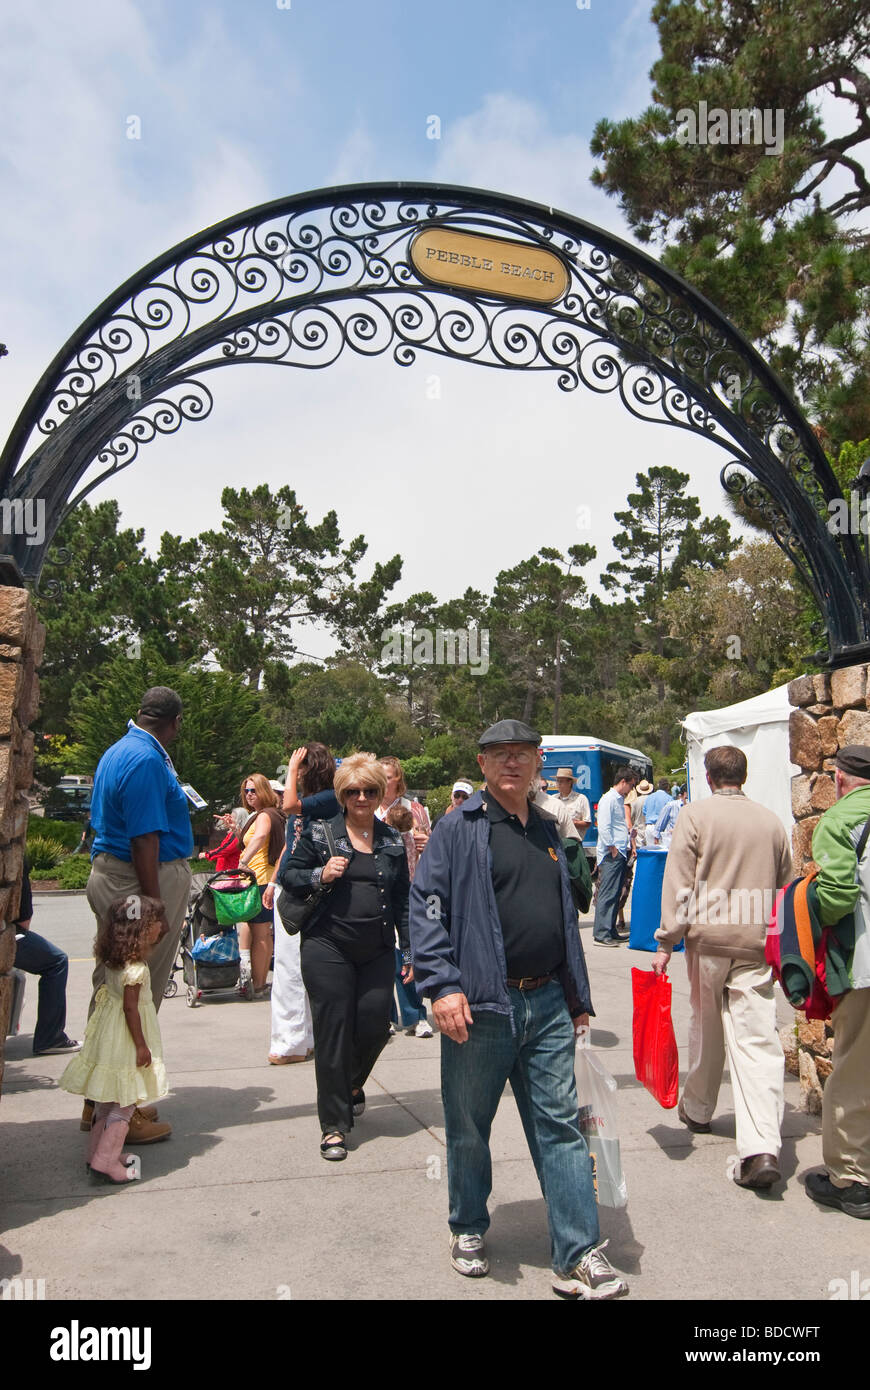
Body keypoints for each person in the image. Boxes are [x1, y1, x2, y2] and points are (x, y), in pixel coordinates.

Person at [410, 718, 628, 1300]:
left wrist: (578, 999)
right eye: (499, 754)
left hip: (549, 1002)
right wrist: (441, 984)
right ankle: (469, 1228)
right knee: (469, 1126)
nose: (512, 763)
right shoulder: (460, 828)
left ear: (538, 762)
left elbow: (563, 921)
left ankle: (579, 1251)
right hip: (480, 1005)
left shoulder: (549, 830)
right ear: (482, 765)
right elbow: (427, 907)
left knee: (560, 1126)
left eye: (523, 753)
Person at [653, 745, 792, 1189]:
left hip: (707, 941)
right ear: (742, 776)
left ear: (709, 777)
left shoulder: (695, 816)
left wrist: (665, 940)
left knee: (706, 1027)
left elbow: (680, 881)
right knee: (757, 1041)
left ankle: (698, 1108)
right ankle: (761, 1148)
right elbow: (785, 888)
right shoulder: (771, 822)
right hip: (756, 944)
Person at [280, 753, 411, 1162]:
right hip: (327, 945)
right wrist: (321, 874)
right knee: (334, 1028)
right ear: (341, 794)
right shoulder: (320, 834)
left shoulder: (391, 839)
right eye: (352, 791)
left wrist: (409, 949)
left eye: (369, 790)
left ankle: (350, 1083)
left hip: (375, 948)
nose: (360, 797)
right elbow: (288, 875)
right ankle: (334, 1126)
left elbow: (404, 900)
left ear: (378, 793)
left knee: (375, 1024)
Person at [83, 686, 192, 1143]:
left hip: (111, 874)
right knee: (137, 996)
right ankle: (120, 1113)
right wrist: (155, 906)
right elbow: (145, 839)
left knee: (111, 990)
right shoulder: (148, 759)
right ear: (175, 723)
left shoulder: (119, 749)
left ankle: (97, 1100)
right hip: (139, 880)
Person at [60, 894, 169, 1184]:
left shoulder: (113, 961)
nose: (161, 926)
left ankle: (97, 1153)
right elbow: (131, 1008)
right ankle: (106, 1162)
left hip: (109, 1036)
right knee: (124, 1103)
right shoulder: (136, 969)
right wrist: (142, 1046)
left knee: (106, 1102)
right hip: (126, 1040)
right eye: (156, 921)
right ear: (142, 930)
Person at [804, 745, 870, 1218]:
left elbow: (839, 891)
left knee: (852, 1071)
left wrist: (812, 913)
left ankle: (851, 1180)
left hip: (865, 966)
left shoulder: (839, 821)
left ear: (841, 779)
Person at [265, 743, 338, 1064]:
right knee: (292, 964)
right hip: (290, 883)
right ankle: (303, 1038)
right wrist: (272, 881)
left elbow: (289, 804)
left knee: (289, 968)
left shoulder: (327, 798)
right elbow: (291, 844)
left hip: (306, 889)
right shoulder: (313, 803)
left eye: (301, 767)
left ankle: (290, 1043)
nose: (295, 772)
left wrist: (292, 768)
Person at [378, 756, 433, 1039]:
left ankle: (415, 1014)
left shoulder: (413, 808)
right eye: (380, 776)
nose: (385, 781)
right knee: (381, 954)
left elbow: (430, 842)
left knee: (409, 951)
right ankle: (384, 1016)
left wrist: (426, 842)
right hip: (377, 889)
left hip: (410, 887)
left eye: (389, 776)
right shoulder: (368, 808)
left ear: (398, 778)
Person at [13, 859, 81, 1055]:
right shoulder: (16, 860)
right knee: (56, 961)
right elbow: (23, 921)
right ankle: (50, 1038)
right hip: (8, 935)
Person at [236, 774, 286, 999]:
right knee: (262, 932)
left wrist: (243, 861)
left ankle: (258, 983)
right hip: (258, 879)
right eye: (246, 791)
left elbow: (261, 836)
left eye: (254, 790)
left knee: (261, 933)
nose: (249, 795)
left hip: (261, 879)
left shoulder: (265, 815)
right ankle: (259, 982)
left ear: (264, 791)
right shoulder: (264, 814)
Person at [592, 767, 636, 946]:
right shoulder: (609, 799)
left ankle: (609, 930)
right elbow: (603, 826)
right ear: (623, 782)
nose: (631, 790)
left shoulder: (617, 800)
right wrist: (612, 847)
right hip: (612, 853)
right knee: (608, 892)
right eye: (631, 785)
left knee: (615, 892)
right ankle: (602, 934)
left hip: (617, 851)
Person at [554, 768, 591, 839]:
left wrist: (571, 823)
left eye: (561, 781)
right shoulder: (553, 798)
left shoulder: (581, 799)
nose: (558, 784)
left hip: (574, 842)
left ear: (569, 782)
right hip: (556, 842)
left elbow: (587, 823)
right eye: (557, 781)